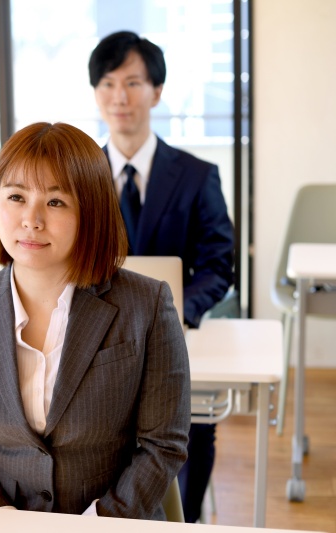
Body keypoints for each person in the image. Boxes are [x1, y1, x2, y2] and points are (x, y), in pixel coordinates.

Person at [0, 122, 190, 518]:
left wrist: (98, 524)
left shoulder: (147, 304)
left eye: (55, 202)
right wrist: (2, 522)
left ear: (92, 211)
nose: (31, 220)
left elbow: (163, 444)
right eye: (16, 197)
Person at [88, 31, 235, 523]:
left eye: (133, 83)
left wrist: (180, 312)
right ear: (96, 94)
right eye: (108, 84)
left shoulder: (196, 175)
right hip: (97, 335)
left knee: (194, 423)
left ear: (156, 92)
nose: (120, 97)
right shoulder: (80, 178)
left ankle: (185, 521)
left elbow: (218, 263)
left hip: (177, 332)